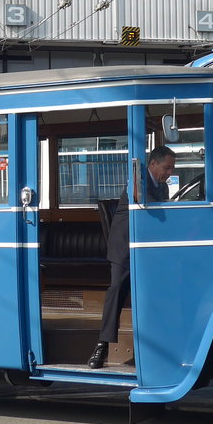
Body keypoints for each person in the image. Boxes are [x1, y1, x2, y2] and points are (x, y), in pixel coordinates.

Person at [88, 145, 176, 369]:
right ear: (153, 164)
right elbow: (147, 206)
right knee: (116, 289)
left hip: (148, 249)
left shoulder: (163, 188)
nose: (169, 173)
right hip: (125, 248)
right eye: (167, 168)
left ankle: (154, 347)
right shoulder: (137, 180)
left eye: (172, 168)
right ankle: (102, 346)